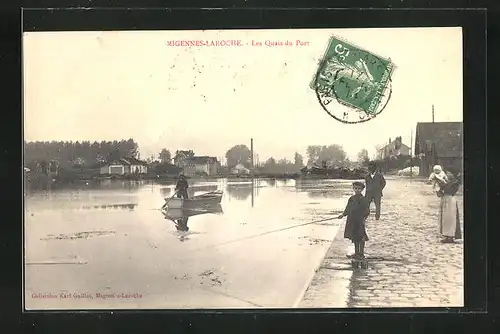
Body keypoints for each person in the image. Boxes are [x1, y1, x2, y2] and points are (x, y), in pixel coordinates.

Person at [337, 181, 370, 259]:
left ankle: (361, 254)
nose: (357, 190)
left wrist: (364, 218)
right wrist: (343, 214)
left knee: (361, 236)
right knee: (354, 237)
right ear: (353, 189)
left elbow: (367, 210)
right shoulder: (351, 198)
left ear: (362, 189)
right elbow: (348, 208)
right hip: (352, 220)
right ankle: (356, 253)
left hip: (359, 221)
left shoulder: (363, 199)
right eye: (355, 188)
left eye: (359, 188)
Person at [429, 165, 462, 243]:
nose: (447, 175)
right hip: (444, 199)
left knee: (450, 218)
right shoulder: (447, 181)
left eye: (449, 173)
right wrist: (438, 190)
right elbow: (440, 193)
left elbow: (449, 189)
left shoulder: (455, 182)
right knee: (444, 218)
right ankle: (446, 236)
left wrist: (441, 184)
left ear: (452, 174)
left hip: (450, 199)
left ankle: (450, 236)